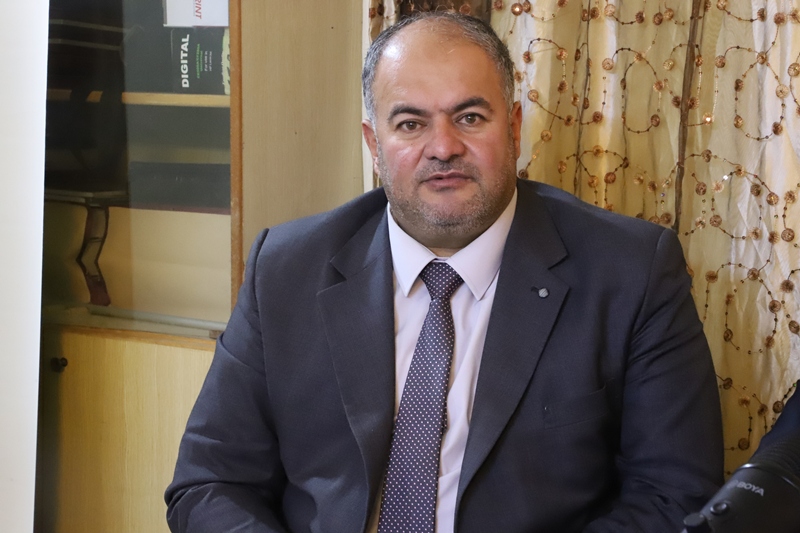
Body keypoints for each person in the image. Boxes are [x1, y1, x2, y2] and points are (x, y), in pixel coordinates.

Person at [166, 11, 723, 533]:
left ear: (514, 128)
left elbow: (673, 494)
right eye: (410, 123)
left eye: (470, 118)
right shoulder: (287, 269)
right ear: (374, 145)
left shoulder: (631, 271)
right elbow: (210, 482)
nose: (443, 147)